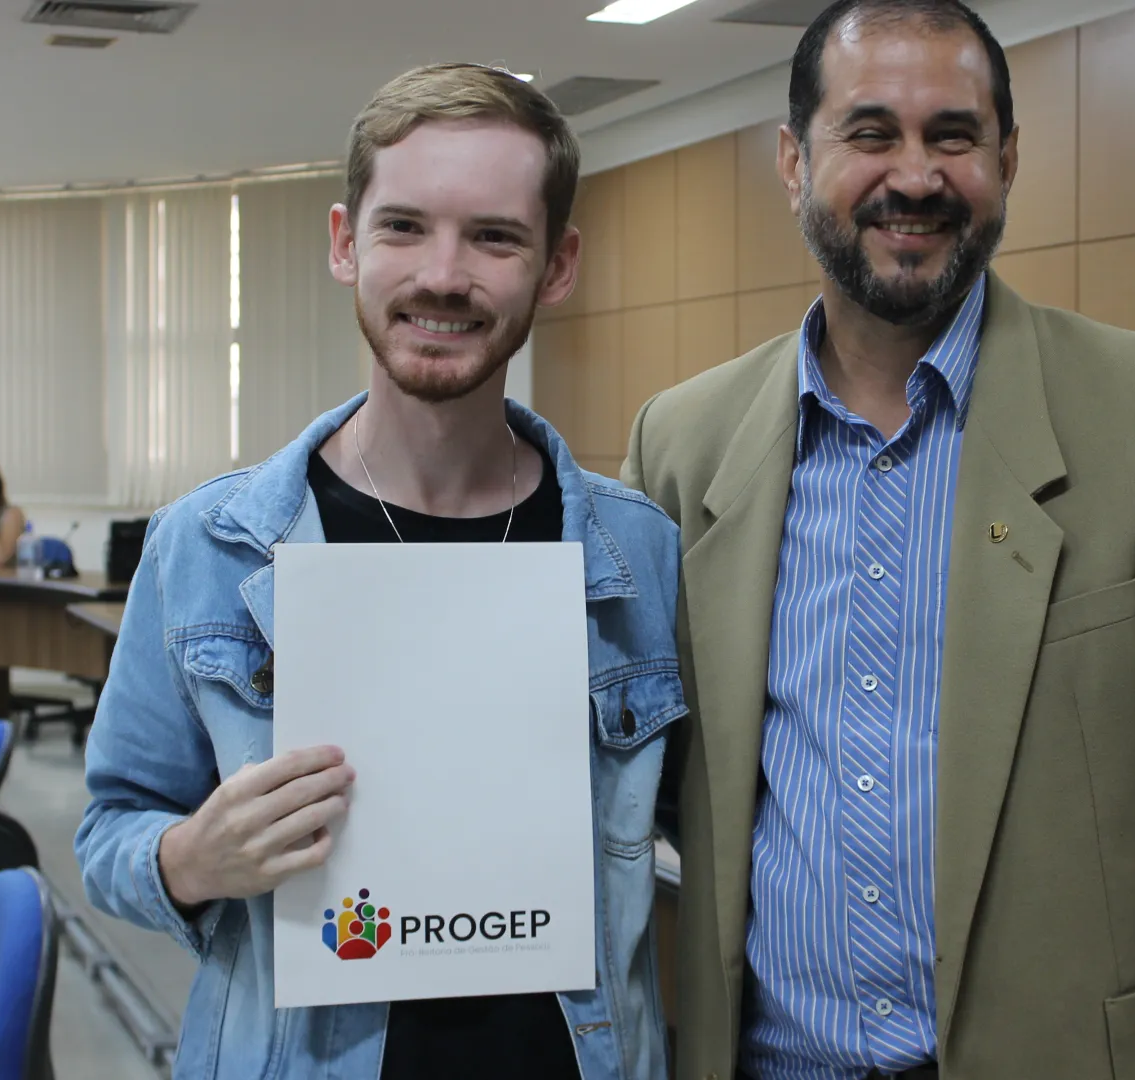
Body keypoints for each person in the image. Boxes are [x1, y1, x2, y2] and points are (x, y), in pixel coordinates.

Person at [622, 1, 1135, 1076]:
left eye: (954, 135)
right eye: (870, 132)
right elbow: (634, 788)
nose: (916, 175)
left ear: (1007, 160)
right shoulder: (682, 447)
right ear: (792, 160)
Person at [75, 64, 682, 1080]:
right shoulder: (206, 550)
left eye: (494, 237)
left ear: (558, 265)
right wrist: (190, 860)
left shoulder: (639, 554)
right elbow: (108, 832)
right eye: (403, 227)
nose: (443, 274)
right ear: (345, 243)